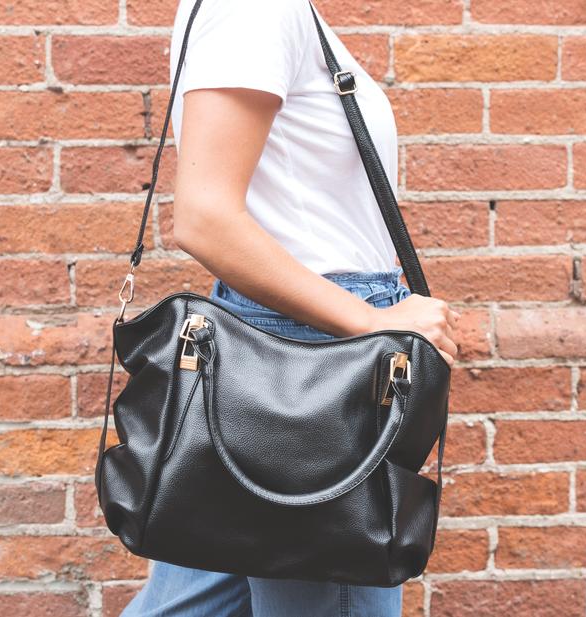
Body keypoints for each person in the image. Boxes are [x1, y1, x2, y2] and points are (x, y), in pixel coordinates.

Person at [121, 0, 459, 615]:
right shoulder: (256, 8)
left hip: (287, 349)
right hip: (317, 356)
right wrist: (372, 320)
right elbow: (204, 218)